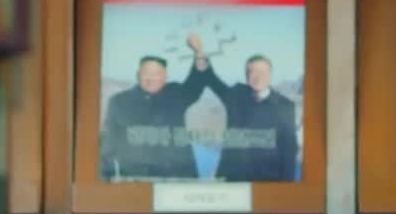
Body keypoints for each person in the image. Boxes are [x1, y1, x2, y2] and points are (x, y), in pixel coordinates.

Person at [188, 34, 300, 182]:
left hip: (266, 183)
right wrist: (199, 52)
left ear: (270, 74)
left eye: (262, 72)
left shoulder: (285, 106)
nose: (257, 77)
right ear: (246, 75)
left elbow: (288, 152)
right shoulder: (236, 95)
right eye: (252, 72)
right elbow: (211, 79)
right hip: (233, 181)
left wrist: (286, 189)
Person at [98, 46, 205, 181]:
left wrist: (199, 53)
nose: (151, 78)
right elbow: (108, 144)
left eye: (157, 74)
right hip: (137, 180)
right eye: (146, 73)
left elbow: (196, 83)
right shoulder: (119, 101)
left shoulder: (176, 93)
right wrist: (105, 181)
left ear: (165, 76)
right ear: (138, 75)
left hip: (180, 179)